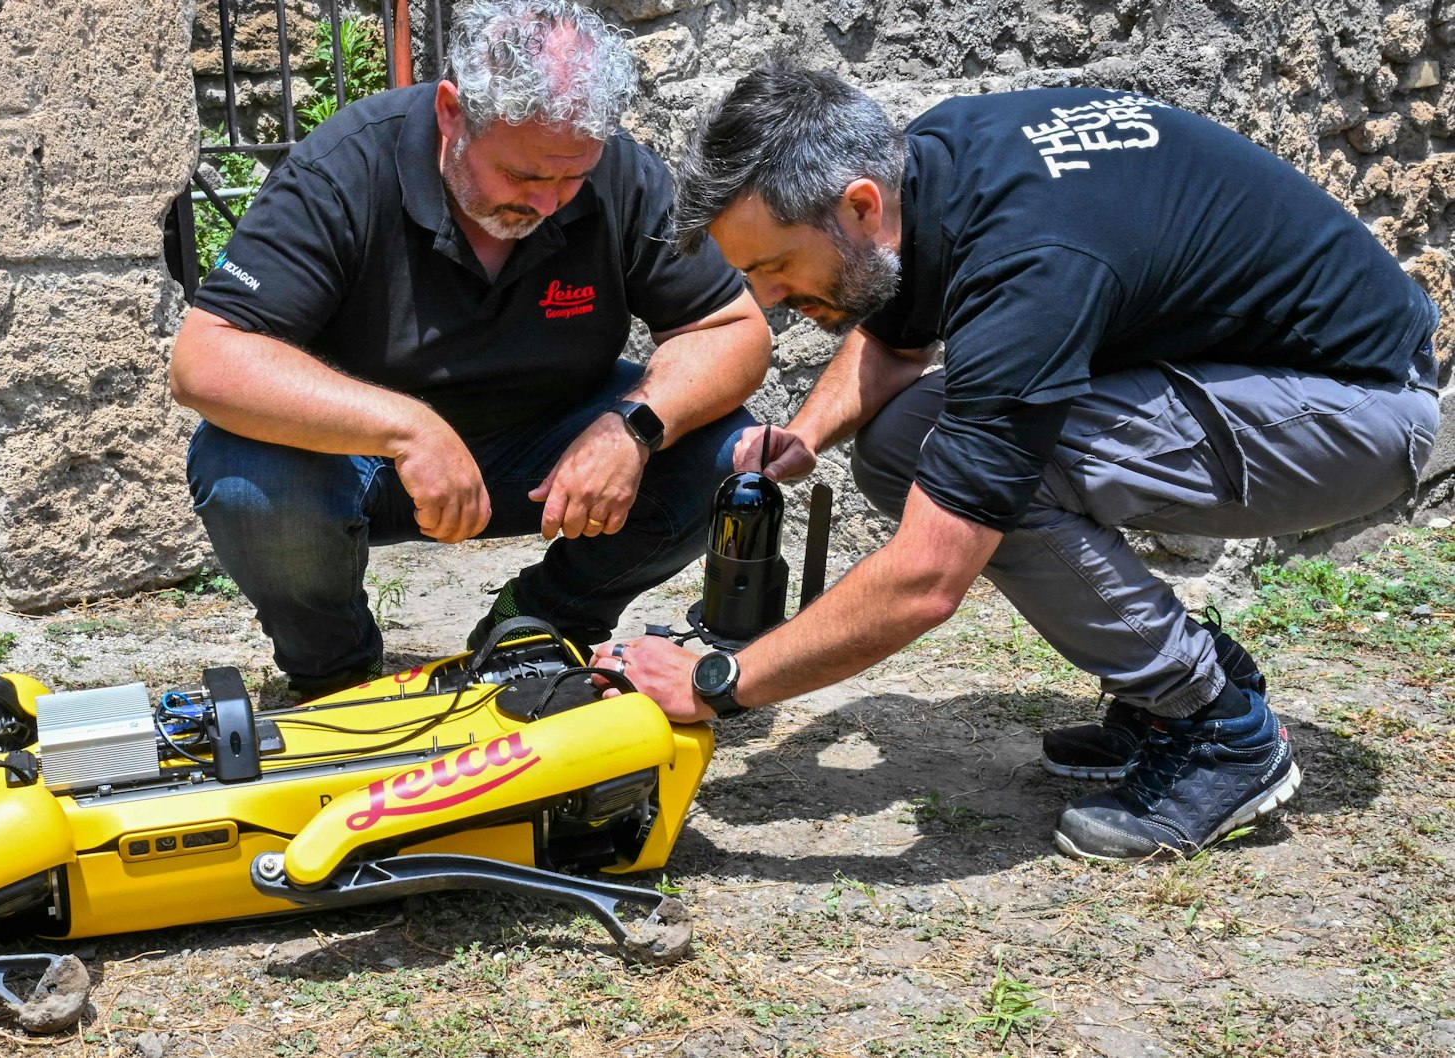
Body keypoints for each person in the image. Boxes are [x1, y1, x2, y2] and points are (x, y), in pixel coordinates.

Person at [595, 65, 1441, 862]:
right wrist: (806, 435)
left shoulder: (1026, 264)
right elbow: (897, 338)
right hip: (1256, 377)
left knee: (999, 477)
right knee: (900, 448)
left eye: (774, 267)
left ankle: (1216, 722)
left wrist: (718, 681)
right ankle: (1168, 688)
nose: (768, 299)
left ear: (858, 207)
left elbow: (928, 580)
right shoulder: (930, 168)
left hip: (1358, 407)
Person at [170, 0, 769, 697]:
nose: (547, 201)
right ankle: (337, 677)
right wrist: (407, 428)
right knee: (244, 474)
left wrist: (633, 427)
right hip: (361, 464)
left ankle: (537, 626)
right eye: (522, 176)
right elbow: (206, 358)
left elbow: (732, 329)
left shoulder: (617, 173)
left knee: (728, 454)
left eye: (570, 178)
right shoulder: (346, 167)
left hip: (548, 450)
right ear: (451, 111)